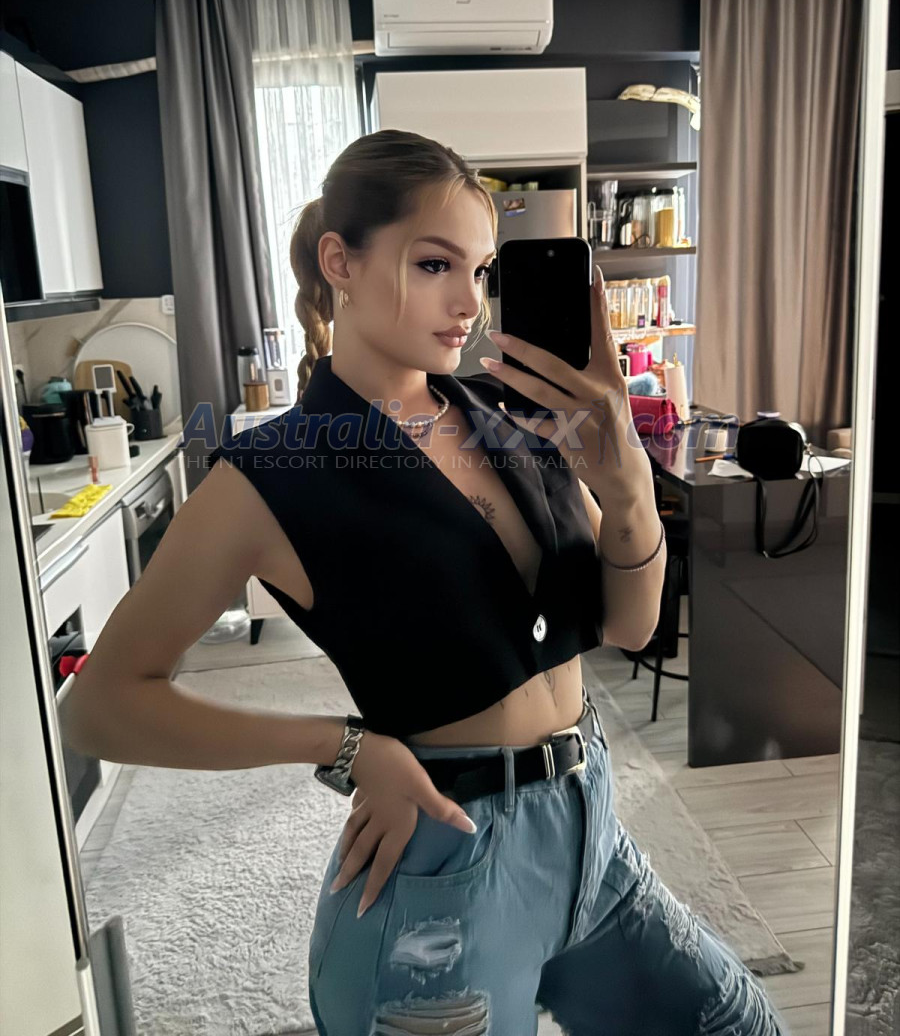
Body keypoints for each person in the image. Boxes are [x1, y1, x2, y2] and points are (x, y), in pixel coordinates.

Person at [60, 130, 789, 1035]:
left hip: (593, 843)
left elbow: (632, 627)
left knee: (741, 1024)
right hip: (442, 892)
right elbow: (99, 708)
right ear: (342, 262)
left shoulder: (516, 416)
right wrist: (346, 748)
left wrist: (629, 481)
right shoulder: (271, 474)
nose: (469, 303)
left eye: (480, 271)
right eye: (436, 264)